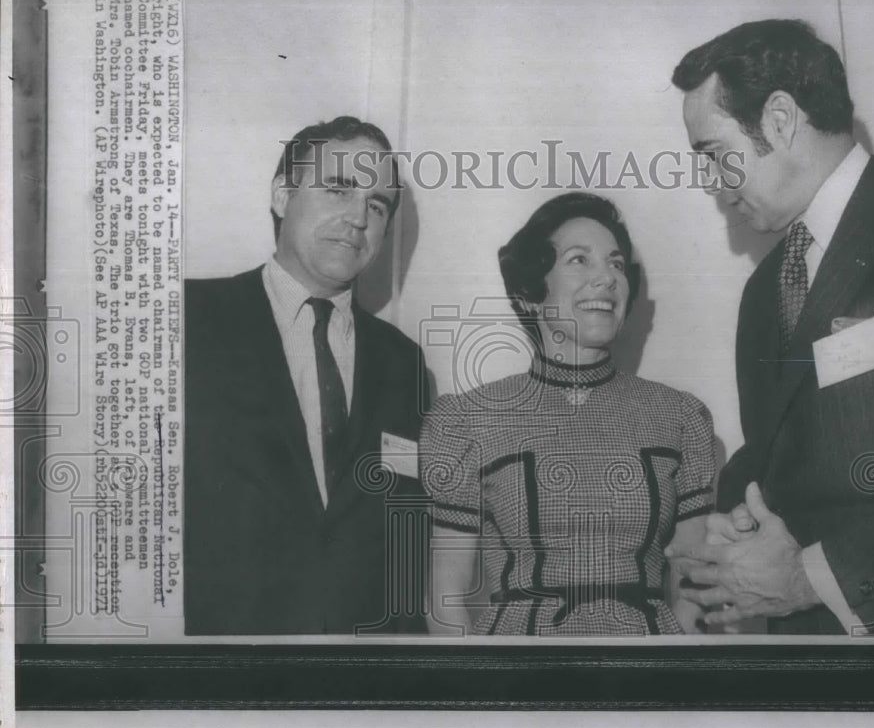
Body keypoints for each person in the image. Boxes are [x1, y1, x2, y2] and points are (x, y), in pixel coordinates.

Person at [665, 20, 874, 635]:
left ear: (780, 119)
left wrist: (814, 577)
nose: (710, 185)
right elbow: (784, 452)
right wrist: (731, 525)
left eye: (714, 155)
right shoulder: (764, 290)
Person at [420, 192, 716, 635]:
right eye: (580, 260)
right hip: (519, 682)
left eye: (616, 264)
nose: (607, 278)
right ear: (530, 293)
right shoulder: (465, 420)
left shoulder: (680, 417)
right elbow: (446, 596)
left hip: (647, 679)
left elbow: (693, 591)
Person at [184, 116, 429, 634]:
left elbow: (404, 539)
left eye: (377, 203)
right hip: (219, 666)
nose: (359, 217)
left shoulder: (402, 362)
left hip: (358, 675)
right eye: (339, 189)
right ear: (281, 195)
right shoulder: (187, 318)